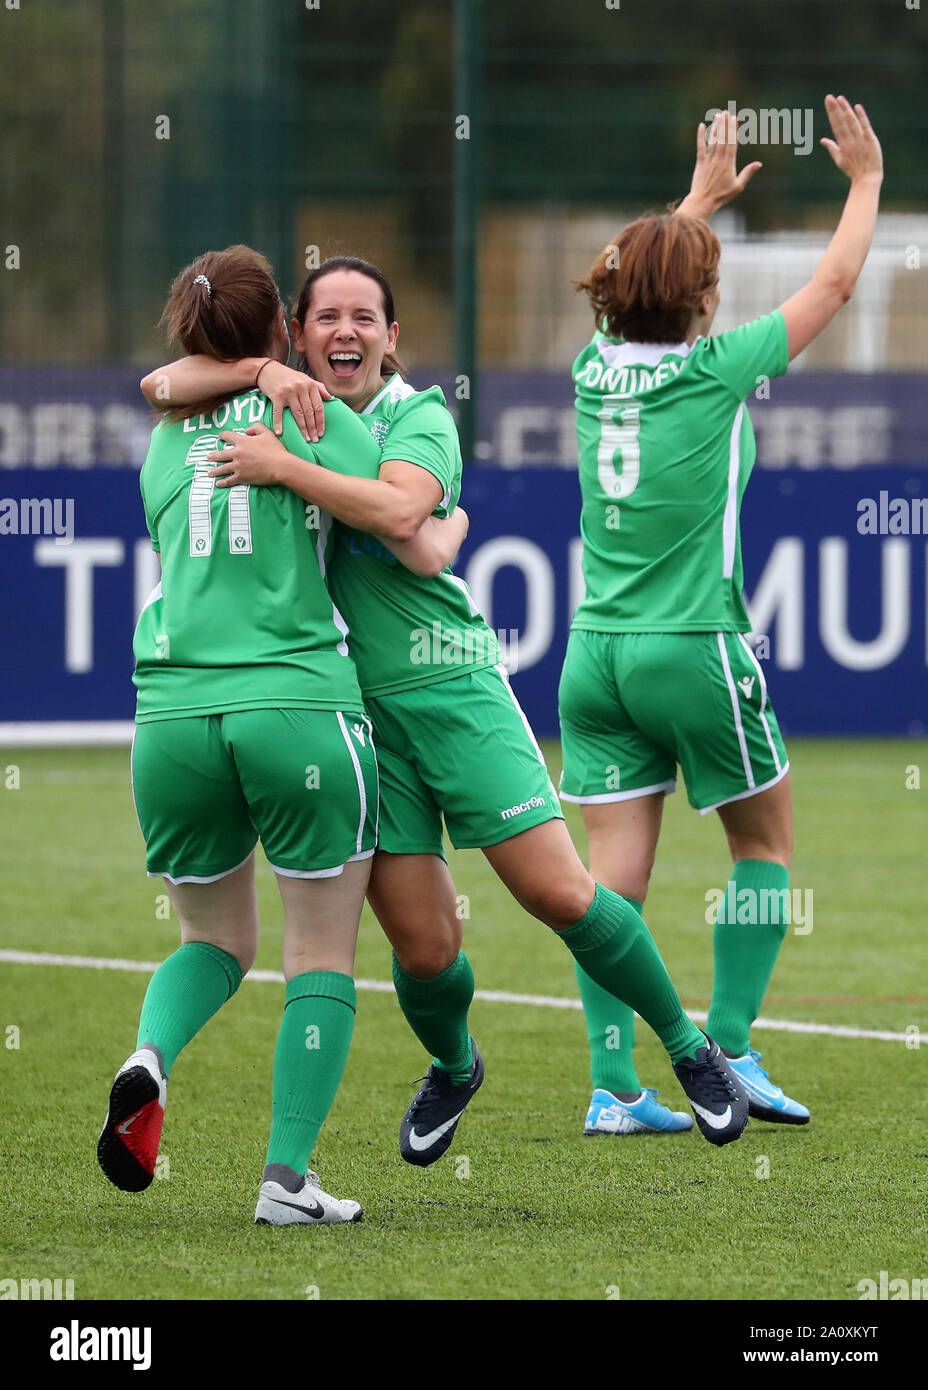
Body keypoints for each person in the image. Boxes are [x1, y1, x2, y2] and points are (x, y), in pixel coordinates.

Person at [142, 256, 750, 1155]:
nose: (344, 331)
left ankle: (691, 1049)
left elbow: (407, 523)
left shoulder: (415, 415)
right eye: (326, 318)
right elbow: (161, 380)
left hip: (451, 686)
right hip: (348, 720)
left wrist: (284, 467)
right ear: (296, 334)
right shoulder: (282, 403)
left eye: (365, 318)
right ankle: (458, 1065)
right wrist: (260, 375)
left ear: (393, 338)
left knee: (559, 893)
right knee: (426, 950)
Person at [99, 244, 463, 1226]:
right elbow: (403, 520)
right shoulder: (317, 417)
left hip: (170, 716)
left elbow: (167, 382)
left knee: (214, 938)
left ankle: (147, 1056)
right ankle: (286, 1179)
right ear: (282, 331)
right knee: (319, 951)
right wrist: (447, 526)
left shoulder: (161, 440)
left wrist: (248, 367)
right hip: (295, 704)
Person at [558, 97, 883, 1135]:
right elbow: (833, 282)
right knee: (764, 843)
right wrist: (866, 180)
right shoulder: (714, 370)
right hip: (692, 646)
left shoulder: (588, 371)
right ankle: (730, 1046)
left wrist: (689, 205)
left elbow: (627, 272)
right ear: (702, 301)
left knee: (608, 883)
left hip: (593, 656)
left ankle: (614, 1087)